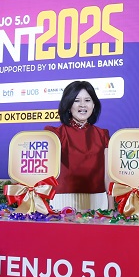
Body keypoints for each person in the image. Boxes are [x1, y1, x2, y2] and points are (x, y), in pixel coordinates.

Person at [44, 81, 110, 211]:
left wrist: (111, 207)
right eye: (76, 100)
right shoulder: (54, 134)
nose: (82, 105)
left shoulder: (103, 135)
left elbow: (108, 176)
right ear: (68, 105)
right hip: (61, 201)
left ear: (93, 105)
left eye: (87, 100)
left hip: (97, 201)